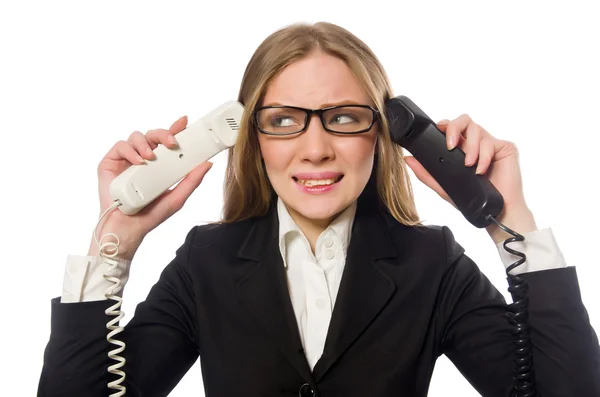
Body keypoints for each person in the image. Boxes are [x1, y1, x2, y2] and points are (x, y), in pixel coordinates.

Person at [38, 22, 600, 397]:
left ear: (381, 133)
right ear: (251, 137)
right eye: (283, 120)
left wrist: (511, 222)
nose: (315, 148)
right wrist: (114, 240)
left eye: (344, 116)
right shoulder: (204, 263)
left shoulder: (432, 263)